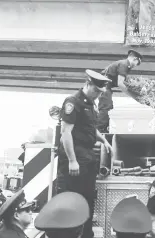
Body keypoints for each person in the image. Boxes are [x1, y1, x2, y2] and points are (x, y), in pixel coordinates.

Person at [57, 69, 113, 238]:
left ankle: (86, 234)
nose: (97, 95)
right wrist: (72, 160)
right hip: (75, 157)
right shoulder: (73, 102)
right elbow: (66, 133)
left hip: (87, 157)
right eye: (95, 90)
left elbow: (91, 128)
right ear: (87, 84)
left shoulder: (90, 105)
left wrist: (104, 140)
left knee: (88, 199)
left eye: (100, 92)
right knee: (72, 199)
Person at [97, 50, 143, 133]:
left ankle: (103, 128)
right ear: (135, 59)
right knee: (106, 107)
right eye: (137, 63)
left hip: (105, 86)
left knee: (109, 107)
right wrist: (133, 96)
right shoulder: (124, 64)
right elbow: (120, 84)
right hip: (103, 86)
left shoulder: (124, 64)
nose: (136, 66)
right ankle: (99, 130)